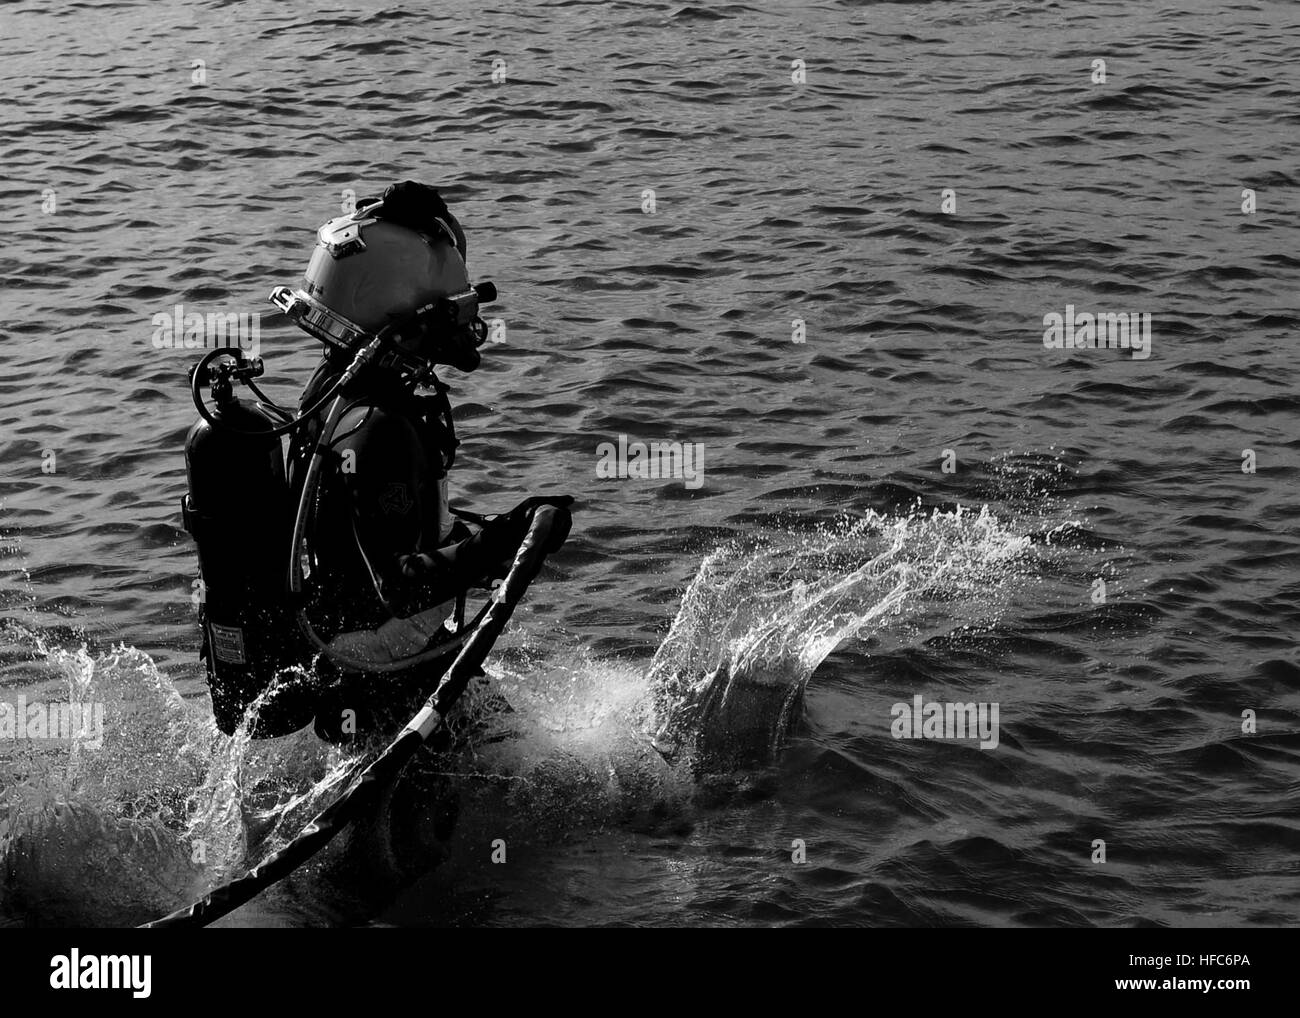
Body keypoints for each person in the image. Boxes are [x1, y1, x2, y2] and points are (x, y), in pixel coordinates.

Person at [272, 180, 572, 740]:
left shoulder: (332, 391)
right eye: (450, 305)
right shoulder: (379, 429)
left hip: (364, 643)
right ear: (406, 314)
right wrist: (511, 537)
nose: (462, 319)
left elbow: (376, 535)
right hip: (382, 657)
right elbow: (396, 586)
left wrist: (473, 538)